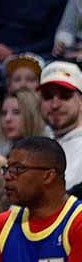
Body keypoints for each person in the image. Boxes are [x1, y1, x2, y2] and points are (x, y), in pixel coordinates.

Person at [39, 61, 82, 190]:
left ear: (81, 101)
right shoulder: (36, 147)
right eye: (47, 97)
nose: (55, 105)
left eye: (64, 96)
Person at [0, 89, 46, 157]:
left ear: (31, 116)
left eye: (16, 112)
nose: (7, 119)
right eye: (4, 113)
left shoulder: (46, 154)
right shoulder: (0, 154)